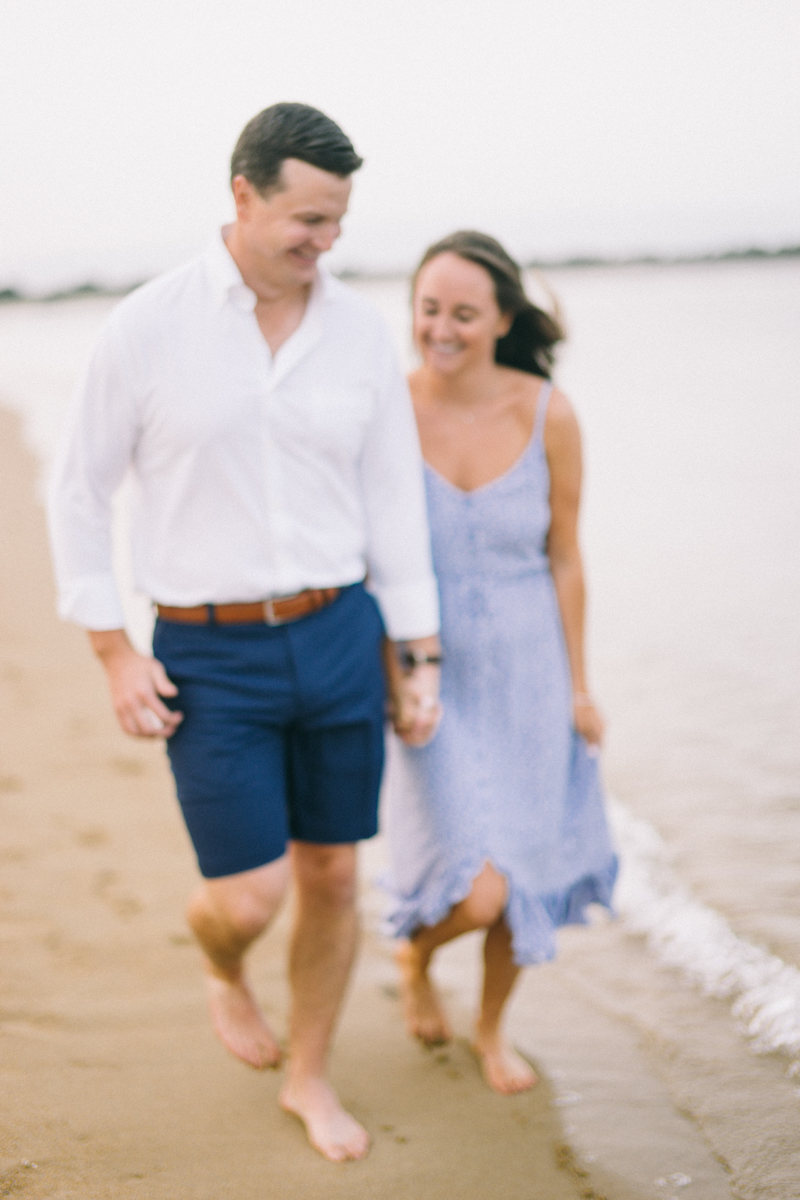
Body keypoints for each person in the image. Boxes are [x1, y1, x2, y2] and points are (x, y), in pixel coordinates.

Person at [47, 103, 442, 1163]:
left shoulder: (358, 332)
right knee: (248, 892)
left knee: (332, 875)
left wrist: (415, 652)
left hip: (337, 632)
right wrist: (111, 648)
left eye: (338, 222)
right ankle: (222, 968)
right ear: (243, 195)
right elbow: (76, 493)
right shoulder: (146, 326)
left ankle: (307, 1075)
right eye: (307, 218)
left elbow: (391, 497)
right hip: (206, 651)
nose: (325, 242)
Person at [383, 231, 617, 1095]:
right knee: (474, 890)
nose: (441, 329)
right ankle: (413, 953)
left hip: (531, 675)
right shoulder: (389, 407)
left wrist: (583, 688)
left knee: (521, 880)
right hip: (430, 679)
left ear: (503, 319)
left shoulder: (548, 411)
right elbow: (366, 556)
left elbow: (566, 555)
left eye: (464, 313)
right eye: (428, 309)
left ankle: (489, 1028)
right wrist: (392, 676)